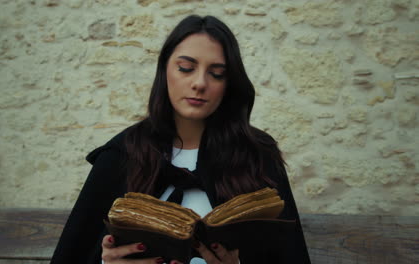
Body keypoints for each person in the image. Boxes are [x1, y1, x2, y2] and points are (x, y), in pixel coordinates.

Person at [51, 15, 311, 264]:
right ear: (165, 70)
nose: (199, 83)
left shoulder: (256, 156)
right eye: (186, 68)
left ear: (229, 83)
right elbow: (76, 252)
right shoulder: (122, 154)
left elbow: (287, 255)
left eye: (217, 73)